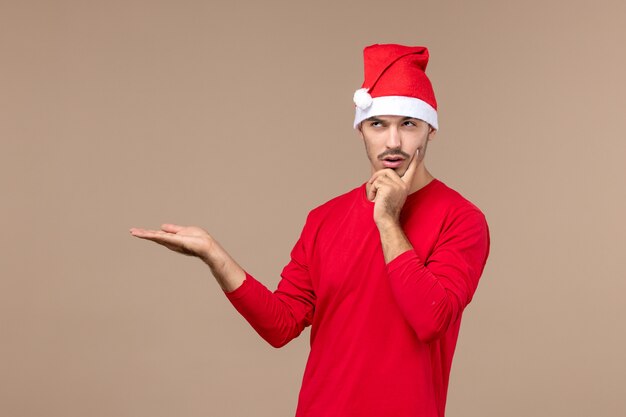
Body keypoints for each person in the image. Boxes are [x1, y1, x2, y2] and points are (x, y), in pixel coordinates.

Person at [130, 43, 491, 417]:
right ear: (361, 130)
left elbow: (431, 319)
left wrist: (387, 219)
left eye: (408, 124)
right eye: (378, 124)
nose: (393, 142)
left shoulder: (461, 219)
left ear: (430, 129)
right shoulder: (325, 219)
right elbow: (281, 324)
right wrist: (213, 255)